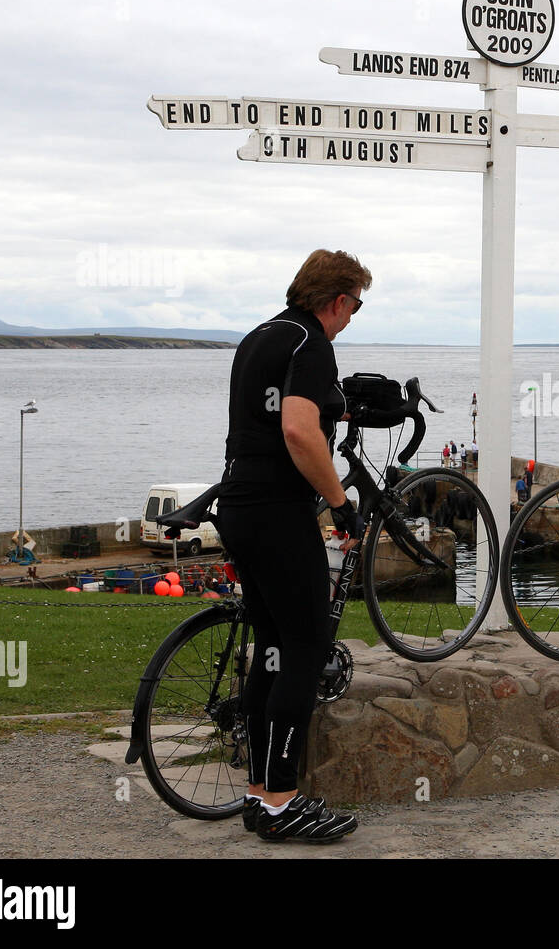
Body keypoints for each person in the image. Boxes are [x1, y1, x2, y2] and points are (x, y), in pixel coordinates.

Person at [216, 249, 370, 841]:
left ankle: (259, 793)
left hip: (239, 505)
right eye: (355, 305)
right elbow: (299, 430)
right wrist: (339, 503)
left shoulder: (259, 336)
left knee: (273, 649)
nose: (354, 317)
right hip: (279, 513)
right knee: (305, 648)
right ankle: (283, 801)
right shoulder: (312, 342)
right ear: (336, 300)